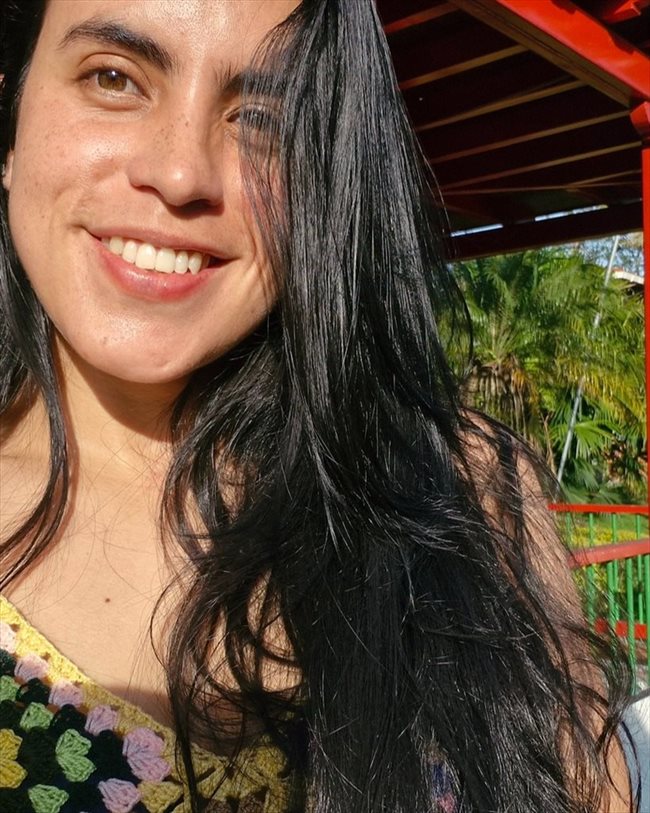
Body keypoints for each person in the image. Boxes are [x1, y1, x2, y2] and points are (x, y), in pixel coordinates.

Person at [0, 1, 637, 812]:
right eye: (114, 78)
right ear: (11, 125)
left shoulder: (466, 485)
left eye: (265, 118)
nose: (183, 173)